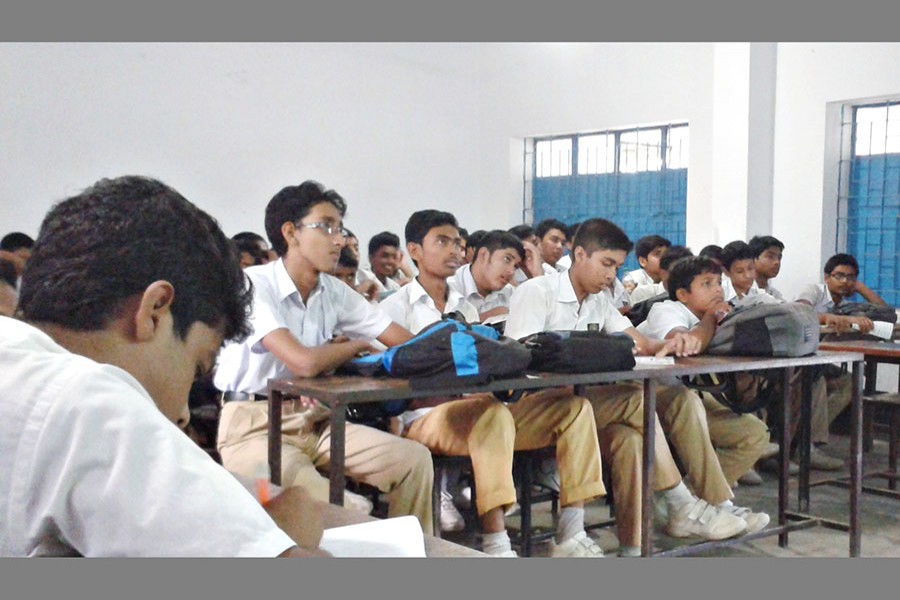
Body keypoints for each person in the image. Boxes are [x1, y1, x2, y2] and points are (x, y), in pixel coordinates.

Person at [0, 175, 323, 557]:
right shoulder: (88, 403)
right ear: (154, 311)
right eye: (196, 366)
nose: (183, 414)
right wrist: (283, 529)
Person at [505, 218, 755, 557]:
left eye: (616, 267)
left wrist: (672, 343)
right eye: (606, 264)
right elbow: (522, 359)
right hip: (535, 408)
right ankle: (680, 502)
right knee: (636, 399)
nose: (611, 275)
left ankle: (632, 548)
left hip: (583, 407)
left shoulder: (599, 301)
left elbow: (640, 342)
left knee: (633, 438)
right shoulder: (537, 292)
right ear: (580, 254)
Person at [380, 209, 607, 558]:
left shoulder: (464, 308)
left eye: (457, 243)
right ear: (414, 251)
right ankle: (496, 543)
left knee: (575, 408)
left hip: (480, 409)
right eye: (441, 242)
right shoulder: (395, 307)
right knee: (492, 414)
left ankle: (571, 533)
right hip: (424, 417)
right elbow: (385, 374)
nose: (454, 250)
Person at [213, 181, 434, 534]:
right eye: (327, 227)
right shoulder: (253, 284)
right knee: (343, 509)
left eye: (341, 229)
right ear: (290, 233)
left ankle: (409, 556)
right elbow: (303, 362)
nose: (340, 240)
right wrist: (358, 344)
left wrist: (451, 347)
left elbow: (405, 342)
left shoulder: (332, 291)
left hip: (314, 421)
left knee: (413, 460)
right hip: (252, 428)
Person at [637, 256, 773, 490]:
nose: (717, 290)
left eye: (719, 282)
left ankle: (696, 498)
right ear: (682, 294)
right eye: (707, 284)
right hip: (649, 400)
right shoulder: (666, 310)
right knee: (691, 408)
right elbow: (685, 344)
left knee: (754, 433)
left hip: (689, 398)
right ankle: (704, 500)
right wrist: (711, 318)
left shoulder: (716, 317)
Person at [447, 229, 522, 325]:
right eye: (507, 259)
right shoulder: (448, 288)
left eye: (515, 266)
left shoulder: (510, 293)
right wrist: (484, 318)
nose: (511, 271)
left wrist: (536, 273)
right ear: (484, 255)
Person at [357, 231, 406, 300]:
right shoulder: (362, 278)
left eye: (394, 257)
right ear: (371, 258)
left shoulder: (394, 286)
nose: (391, 261)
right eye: (385, 256)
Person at [749, 235, 786, 301]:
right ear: (753, 259)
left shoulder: (775, 294)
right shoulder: (739, 292)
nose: (777, 262)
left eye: (779, 258)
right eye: (770, 256)